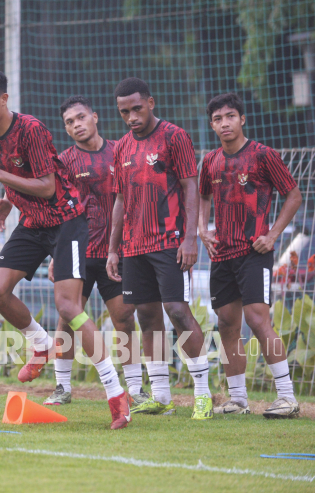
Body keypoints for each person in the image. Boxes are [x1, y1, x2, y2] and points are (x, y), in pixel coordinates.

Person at [0, 68, 130, 430]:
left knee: (68, 307)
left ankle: (117, 396)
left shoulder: (33, 129)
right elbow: (14, 174)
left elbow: (46, 187)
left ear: (4, 99)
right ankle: (40, 344)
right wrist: (7, 197)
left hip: (65, 219)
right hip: (31, 221)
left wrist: (0, 178)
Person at [106, 77, 213, 420]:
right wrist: (113, 248)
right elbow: (120, 199)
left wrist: (191, 237)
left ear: (151, 103)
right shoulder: (121, 147)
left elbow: (191, 186)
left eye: (137, 108)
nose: (132, 116)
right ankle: (162, 396)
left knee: (177, 311)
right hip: (134, 246)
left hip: (170, 242)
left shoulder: (174, 136)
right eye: (125, 111)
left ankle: (202, 394)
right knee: (147, 316)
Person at [198, 93, 302, 418]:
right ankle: (238, 399)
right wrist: (203, 229)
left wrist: (272, 236)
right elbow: (202, 196)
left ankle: (287, 397)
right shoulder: (210, 161)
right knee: (227, 323)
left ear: (242, 119)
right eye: (218, 119)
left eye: (230, 116)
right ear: (212, 125)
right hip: (221, 254)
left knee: (257, 319)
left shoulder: (262, 155)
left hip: (254, 252)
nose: (224, 123)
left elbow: (294, 195)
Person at [44, 95, 145, 406]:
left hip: (116, 253)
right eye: (70, 123)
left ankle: (136, 390)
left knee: (125, 318)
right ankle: (62, 387)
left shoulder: (121, 152)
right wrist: (55, 256)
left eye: (81, 118)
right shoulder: (63, 163)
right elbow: (55, 210)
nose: (77, 125)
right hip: (77, 254)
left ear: (95, 117)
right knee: (67, 318)